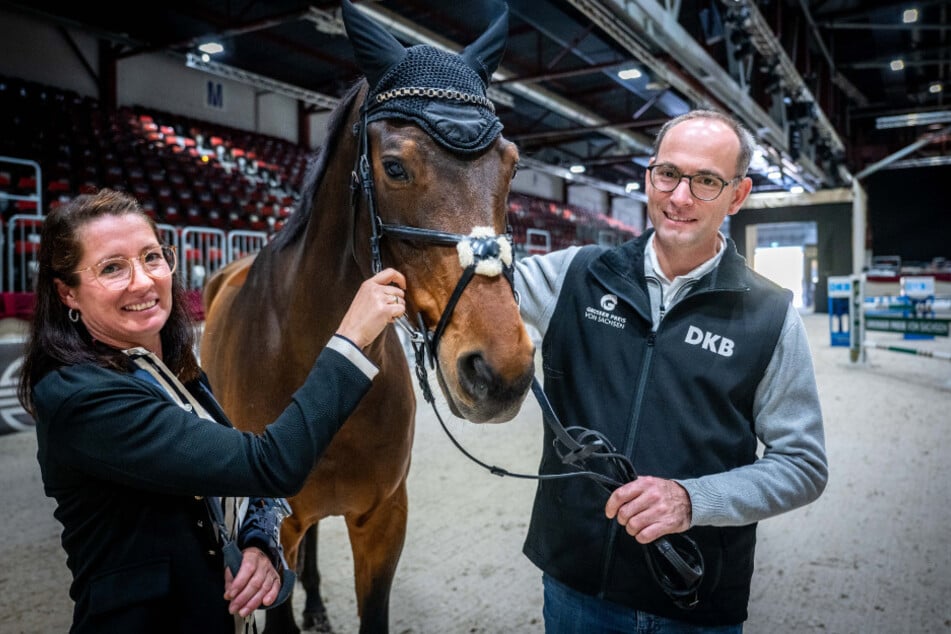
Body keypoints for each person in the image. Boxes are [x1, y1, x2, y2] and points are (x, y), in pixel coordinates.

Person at [18, 188, 407, 633]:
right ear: (67, 293)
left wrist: (259, 543)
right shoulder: (81, 399)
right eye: (112, 268)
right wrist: (351, 340)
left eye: (151, 257)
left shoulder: (171, 368)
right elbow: (268, 464)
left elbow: (236, 479)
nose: (144, 281)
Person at [514, 109, 828, 633]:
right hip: (576, 587)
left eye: (706, 181)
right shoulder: (574, 274)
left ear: (738, 195)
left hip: (693, 596)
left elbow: (803, 465)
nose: (680, 197)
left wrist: (692, 500)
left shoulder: (771, 316)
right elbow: (461, 285)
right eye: (669, 174)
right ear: (648, 177)